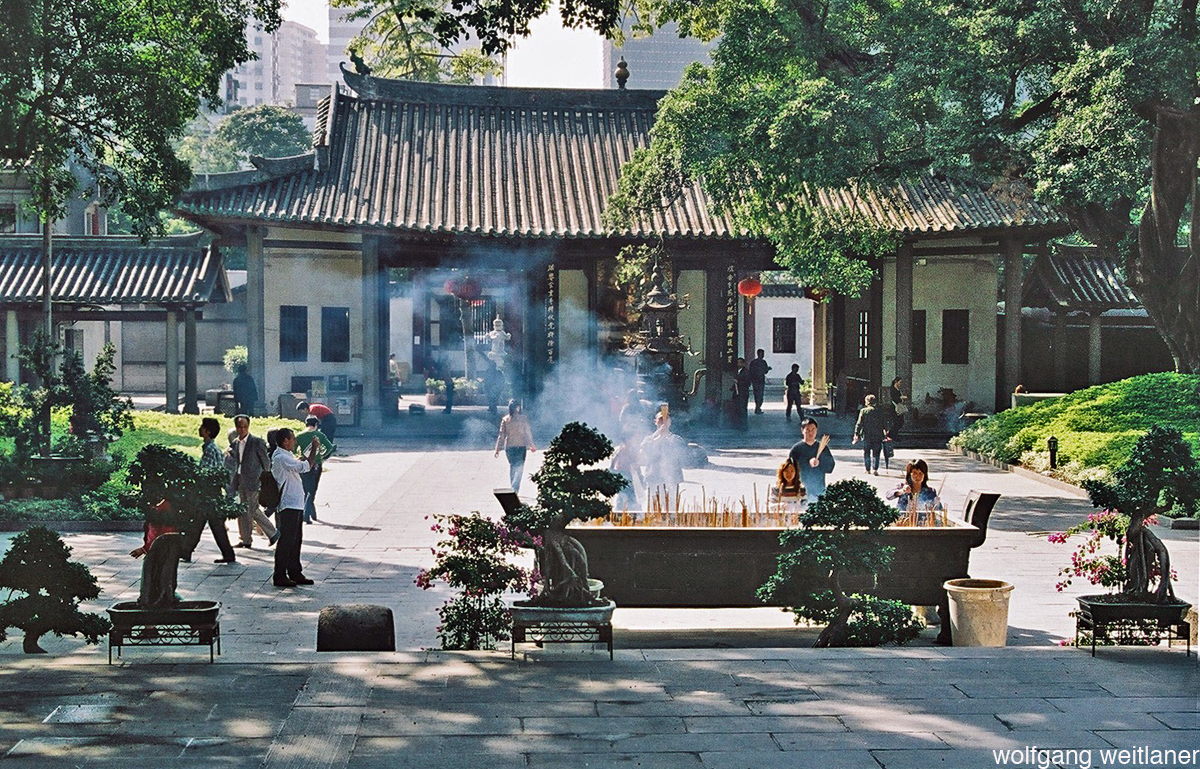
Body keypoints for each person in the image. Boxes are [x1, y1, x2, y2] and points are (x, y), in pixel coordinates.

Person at [184, 417, 238, 564]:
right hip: (213, 492)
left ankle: (187, 551)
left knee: (200, 523)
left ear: (208, 431)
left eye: (202, 427)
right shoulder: (213, 448)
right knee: (211, 524)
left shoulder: (210, 450)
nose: (200, 429)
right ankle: (227, 553)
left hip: (208, 493)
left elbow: (204, 472)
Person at [270, 427, 317, 588]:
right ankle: (280, 574)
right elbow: (305, 467)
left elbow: (299, 463)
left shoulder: (286, 455)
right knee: (287, 541)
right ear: (285, 441)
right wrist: (315, 449)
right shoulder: (281, 457)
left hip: (295, 502)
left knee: (296, 540)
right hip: (288, 503)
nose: (294, 441)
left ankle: (294, 571)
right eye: (293, 439)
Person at [226, 414, 278, 549]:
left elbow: (266, 462)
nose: (242, 429)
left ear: (248, 427)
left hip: (253, 480)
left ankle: (272, 533)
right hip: (239, 480)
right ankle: (245, 539)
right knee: (243, 510)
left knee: (252, 509)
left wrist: (261, 474)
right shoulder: (235, 443)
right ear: (236, 428)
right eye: (240, 427)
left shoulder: (256, 442)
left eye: (245, 427)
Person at [639, 410, 686, 506]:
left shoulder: (675, 438)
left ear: (669, 422)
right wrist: (659, 436)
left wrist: (668, 437)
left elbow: (682, 452)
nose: (663, 423)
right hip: (654, 476)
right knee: (654, 505)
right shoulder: (649, 439)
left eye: (665, 420)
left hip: (672, 477)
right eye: (660, 420)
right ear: (655, 421)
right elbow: (645, 450)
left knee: (672, 506)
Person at [295, 416, 335, 524]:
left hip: (304, 464)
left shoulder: (299, 436)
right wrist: (322, 455)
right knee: (312, 490)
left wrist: (299, 456)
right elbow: (330, 447)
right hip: (316, 464)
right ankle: (306, 514)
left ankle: (312, 513)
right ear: (316, 425)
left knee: (305, 488)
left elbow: (293, 449)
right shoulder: (319, 435)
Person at [788, 416, 836, 503]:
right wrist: (807, 463)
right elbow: (790, 470)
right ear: (802, 431)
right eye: (808, 430)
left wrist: (820, 462)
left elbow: (830, 467)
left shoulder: (822, 447)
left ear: (816, 430)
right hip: (801, 489)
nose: (811, 433)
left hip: (819, 489)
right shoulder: (796, 449)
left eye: (813, 430)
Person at [494, 400, 537, 493]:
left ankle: (513, 488)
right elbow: (527, 433)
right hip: (521, 447)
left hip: (509, 447)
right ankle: (515, 488)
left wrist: (497, 449)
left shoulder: (505, 420)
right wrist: (531, 444)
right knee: (519, 468)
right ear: (517, 408)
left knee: (513, 466)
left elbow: (501, 435)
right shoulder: (523, 419)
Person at [888, 458, 944, 525]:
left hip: (922, 525)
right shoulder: (902, 487)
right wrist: (901, 491)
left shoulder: (930, 492)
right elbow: (889, 496)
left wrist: (937, 503)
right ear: (910, 474)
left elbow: (939, 509)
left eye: (921, 473)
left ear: (925, 475)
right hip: (904, 524)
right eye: (915, 473)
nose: (918, 476)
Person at [852, 394, 887, 476]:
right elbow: (884, 423)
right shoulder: (879, 411)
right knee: (876, 453)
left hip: (867, 435)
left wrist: (856, 434)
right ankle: (875, 469)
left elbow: (859, 424)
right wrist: (886, 431)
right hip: (878, 435)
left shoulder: (863, 411)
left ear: (867, 402)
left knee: (866, 452)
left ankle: (868, 469)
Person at [610, 437, 643, 511]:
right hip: (623, 476)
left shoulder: (629, 451)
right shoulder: (620, 451)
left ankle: (634, 513)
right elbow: (613, 465)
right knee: (625, 497)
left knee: (629, 497)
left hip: (629, 477)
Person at [748, 349, 771, 414]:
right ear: (758, 354)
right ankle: (757, 407)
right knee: (758, 395)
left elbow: (765, 371)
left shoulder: (762, 362)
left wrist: (767, 369)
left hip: (759, 380)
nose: (762, 355)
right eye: (761, 354)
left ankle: (758, 407)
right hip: (757, 380)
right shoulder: (755, 362)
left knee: (759, 395)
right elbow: (751, 371)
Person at [732, 358, 751, 430]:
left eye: (740, 363)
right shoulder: (737, 372)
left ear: (743, 364)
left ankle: (743, 425)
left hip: (743, 393)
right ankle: (738, 424)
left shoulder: (746, 372)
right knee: (737, 409)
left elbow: (747, 383)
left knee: (743, 409)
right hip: (737, 393)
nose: (738, 364)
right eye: (738, 362)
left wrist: (738, 382)